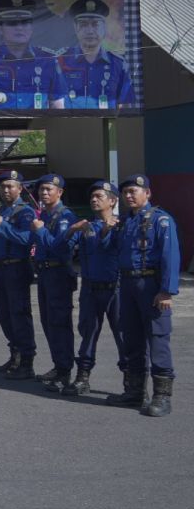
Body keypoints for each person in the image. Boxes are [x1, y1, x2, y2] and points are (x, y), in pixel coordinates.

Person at [104, 175, 180, 417]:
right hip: (127, 284)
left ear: (147, 193)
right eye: (125, 192)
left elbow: (170, 256)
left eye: (134, 191)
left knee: (158, 339)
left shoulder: (161, 220)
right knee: (132, 338)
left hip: (151, 285)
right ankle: (135, 392)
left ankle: (162, 397)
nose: (129, 195)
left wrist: (167, 290)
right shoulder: (126, 222)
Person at [65, 181, 126, 396]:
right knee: (88, 334)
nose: (94, 199)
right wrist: (71, 230)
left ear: (112, 200)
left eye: (99, 196)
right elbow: (60, 248)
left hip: (115, 289)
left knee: (123, 335)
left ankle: (132, 384)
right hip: (90, 289)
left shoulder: (123, 226)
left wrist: (109, 231)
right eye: (92, 196)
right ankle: (82, 378)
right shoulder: (86, 227)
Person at [0, 170, 38, 379]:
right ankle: (15, 356)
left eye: (10, 186)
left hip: (17, 268)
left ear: (20, 188)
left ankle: (27, 362)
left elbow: (26, 239)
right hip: (1, 268)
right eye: (3, 187)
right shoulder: (3, 209)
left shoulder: (25, 212)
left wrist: (3, 225)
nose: (6, 190)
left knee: (19, 314)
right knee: (5, 314)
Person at [31, 173, 77, 393]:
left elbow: (58, 247)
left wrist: (39, 231)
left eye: (49, 189)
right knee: (48, 322)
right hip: (45, 274)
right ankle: (59, 365)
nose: (44, 193)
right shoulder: (46, 215)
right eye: (42, 189)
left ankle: (65, 370)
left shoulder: (65, 216)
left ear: (60, 192)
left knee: (59, 323)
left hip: (58, 274)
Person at [57, 0, 135, 110]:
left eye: (95, 24)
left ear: (104, 28)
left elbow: (125, 105)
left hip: (105, 123)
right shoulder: (60, 61)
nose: (90, 31)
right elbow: (53, 102)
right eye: (83, 24)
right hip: (70, 124)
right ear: (75, 28)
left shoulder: (119, 64)